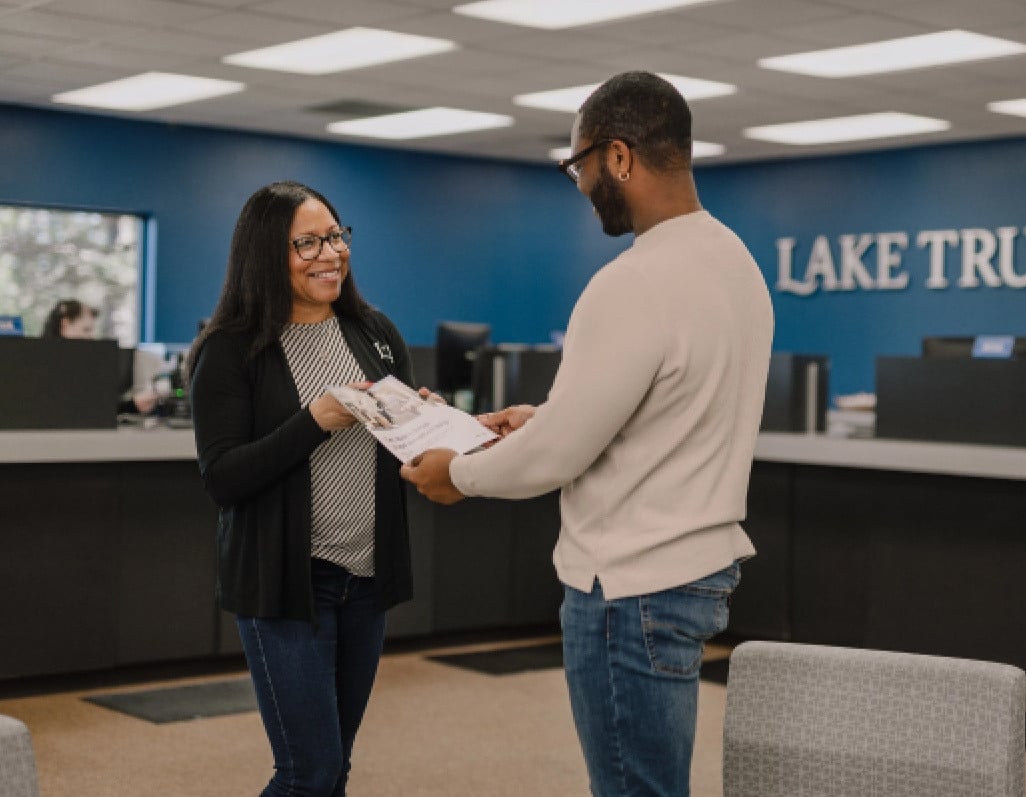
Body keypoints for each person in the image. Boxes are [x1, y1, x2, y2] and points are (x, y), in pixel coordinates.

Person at [401, 71, 774, 797]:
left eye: (579, 164)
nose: (577, 184)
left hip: (628, 585)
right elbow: (667, 408)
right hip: (691, 570)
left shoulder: (633, 279)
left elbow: (561, 457)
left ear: (621, 157)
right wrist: (546, 415)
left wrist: (459, 472)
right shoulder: (734, 262)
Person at [188, 180, 416, 797]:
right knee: (307, 772)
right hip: (287, 582)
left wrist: (423, 420)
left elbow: (400, 454)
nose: (330, 253)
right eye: (307, 243)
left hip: (365, 578)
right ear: (267, 254)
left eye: (336, 236)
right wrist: (316, 420)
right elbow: (224, 478)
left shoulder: (374, 332)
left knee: (334, 766)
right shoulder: (231, 351)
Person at [42, 298, 159, 414]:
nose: (90, 337)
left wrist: (132, 405)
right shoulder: (48, 366)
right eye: (86, 330)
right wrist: (131, 406)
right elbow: (80, 409)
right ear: (65, 325)